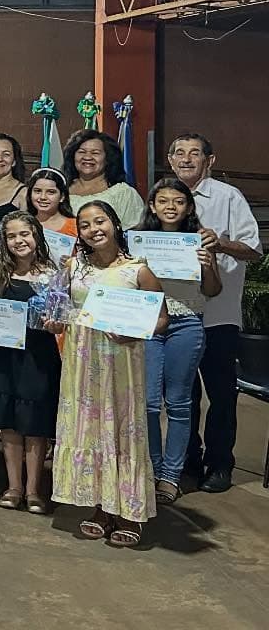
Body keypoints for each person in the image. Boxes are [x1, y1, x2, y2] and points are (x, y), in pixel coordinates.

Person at [49, 200, 166, 547]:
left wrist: (135, 333)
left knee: (122, 432)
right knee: (91, 431)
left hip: (122, 362)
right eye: (84, 225)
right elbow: (58, 309)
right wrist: (54, 321)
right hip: (82, 363)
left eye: (100, 221)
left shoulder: (137, 269)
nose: (93, 229)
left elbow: (161, 320)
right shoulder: (72, 268)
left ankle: (129, 510)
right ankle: (101, 506)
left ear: (114, 224)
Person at [168, 133, 262, 493]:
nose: (186, 159)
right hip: (176, 315)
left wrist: (218, 242)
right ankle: (187, 458)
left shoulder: (228, 198)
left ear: (210, 160)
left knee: (221, 395)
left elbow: (253, 249)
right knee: (181, 395)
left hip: (218, 316)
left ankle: (220, 463)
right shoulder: (164, 198)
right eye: (179, 152)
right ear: (171, 158)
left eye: (195, 153)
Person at [135, 177, 221, 502]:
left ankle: (171, 477)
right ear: (153, 206)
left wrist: (209, 266)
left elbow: (212, 291)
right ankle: (153, 470)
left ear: (188, 207)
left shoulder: (198, 242)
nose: (171, 207)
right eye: (164, 201)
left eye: (178, 201)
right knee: (148, 403)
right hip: (149, 324)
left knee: (180, 404)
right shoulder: (138, 241)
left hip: (186, 324)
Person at [0, 212, 61, 514]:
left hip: (39, 355)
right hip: (3, 355)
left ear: (36, 235)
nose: (19, 241)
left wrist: (56, 325)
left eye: (24, 234)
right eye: (11, 236)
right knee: (10, 423)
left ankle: (34, 490)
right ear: (4, 240)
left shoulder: (53, 273)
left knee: (35, 423)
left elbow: (63, 317)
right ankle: (13, 486)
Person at [64, 128, 144, 225]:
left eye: (95, 153)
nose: (87, 157)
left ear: (108, 159)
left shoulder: (124, 193)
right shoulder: (60, 189)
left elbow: (134, 234)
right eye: (82, 152)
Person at [28, 167, 77, 241]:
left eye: (51, 192)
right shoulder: (22, 224)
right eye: (37, 191)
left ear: (62, 197)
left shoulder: (76, 226)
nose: (43, 197)